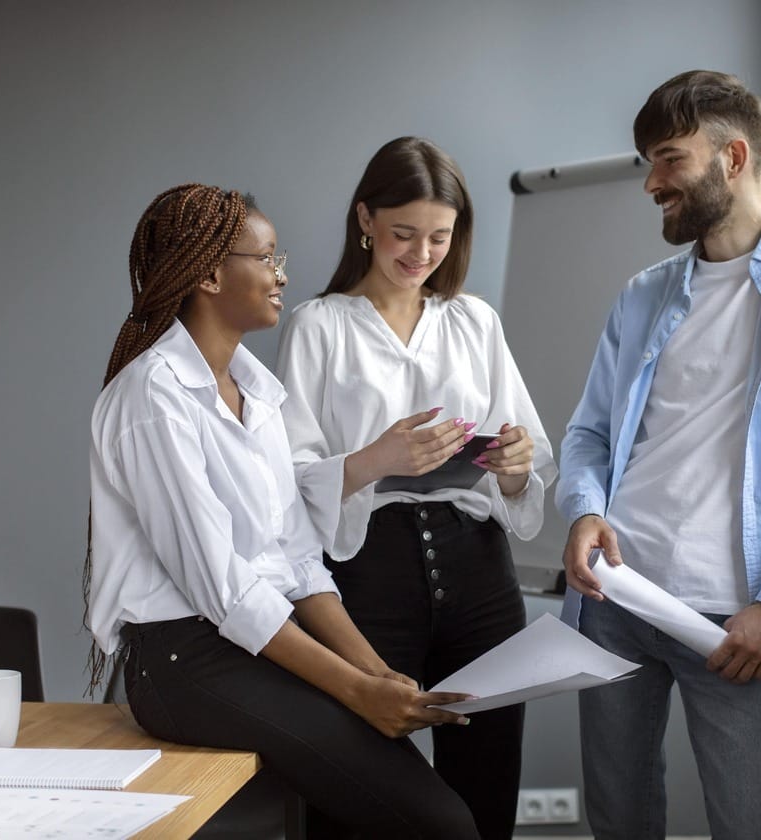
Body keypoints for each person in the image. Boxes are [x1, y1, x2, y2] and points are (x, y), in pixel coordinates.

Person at [84, 183, 483, 840]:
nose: (282, 276)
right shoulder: (154, 398)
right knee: (438, 823)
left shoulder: (259, 393)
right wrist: (356, 691)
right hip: (182, 660)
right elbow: (224, 590)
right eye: (267, 258)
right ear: (210, 274)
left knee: (425, 811)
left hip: (252, 641)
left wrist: (376, 672)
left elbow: (297, 561)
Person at [557, 71, 761, 840]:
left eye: (670, 159)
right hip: (615, 597)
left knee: (751, 822)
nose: (652, 184)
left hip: (734, 620)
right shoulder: (642, 294)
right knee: (618, 820)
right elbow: (589, 432)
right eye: (649, 164)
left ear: (732, 158)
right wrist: (585, 511)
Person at [276, 137, 556, 840]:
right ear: (365, 219)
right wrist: (376, 459)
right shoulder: (318, 326)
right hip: (365, 574)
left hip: (479, 570)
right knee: (356, 787)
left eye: (439, 236)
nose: (421, 253)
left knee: (487, 778)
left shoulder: (474, 321)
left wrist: (513, 465)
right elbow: (285, 482)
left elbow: (523, 467)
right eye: (404, 233)